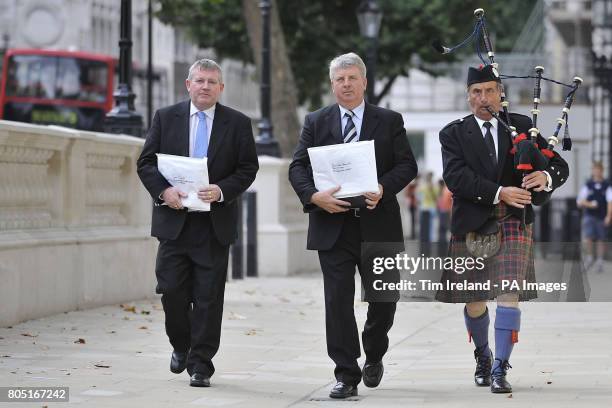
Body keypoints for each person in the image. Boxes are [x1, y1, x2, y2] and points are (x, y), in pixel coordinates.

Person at [288, 52, 418, 399]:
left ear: (363, 82)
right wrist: (314, 197)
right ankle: (346, 373)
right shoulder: (315, 121)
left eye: (351, 78)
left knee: (384, 299)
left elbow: (407, 165)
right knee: (337, 302)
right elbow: (297, 168)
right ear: (332, 85)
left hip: (380, 225)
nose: (346, 84)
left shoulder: (389, 120)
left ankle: (374, 352)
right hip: (332, 226)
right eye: (339, 79)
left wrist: (383, 188)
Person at [435, 65, 569, 394]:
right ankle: (483, 354)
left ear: (500, 94)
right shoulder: (452, 134)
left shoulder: (523, 126)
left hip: (513, 220)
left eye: (490, 90)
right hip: (472, 223)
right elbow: (456, 177)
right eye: (477, 92)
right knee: (475, 299)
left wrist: (545, 178)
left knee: (509, 294)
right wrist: (499, 191)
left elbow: (557, 165)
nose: (484, 98)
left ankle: (499, 368)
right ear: (468, 97)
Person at [137, 59, 259, 387]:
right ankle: (181, 344)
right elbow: (146, 163)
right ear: (188, 85)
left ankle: (201, 364)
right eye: (199, 80)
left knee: (208, 297)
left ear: (221, 88)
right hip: (174, 222)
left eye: (212, 82)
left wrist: (222, 190)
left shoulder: (237, 123)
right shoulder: (165, 118)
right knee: (171, 291)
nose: (205, 86)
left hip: (213, 225)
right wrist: (164, 191)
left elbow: (248, 168)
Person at [577, 161, 612, 273]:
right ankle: (589, 258)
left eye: (599, 170)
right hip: (589, 215)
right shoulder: (588, 185)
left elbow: (610, 202)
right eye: (595, 169)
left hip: (601, 216)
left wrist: (608, 216)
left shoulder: (607, 185)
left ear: (602, 171)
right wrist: (590, 204)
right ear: (593, 171)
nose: (597, 172)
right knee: (589, 238)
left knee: (601, 239)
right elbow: (580, 201)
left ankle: (600, 261)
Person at [437, 179, 453, 245]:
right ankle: (443, 245)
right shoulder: (448, 190)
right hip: (446, 212)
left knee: (442, 230)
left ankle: (442, 245)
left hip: (444, 212)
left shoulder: (444, 190)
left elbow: (441, 202)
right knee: (444, 230)